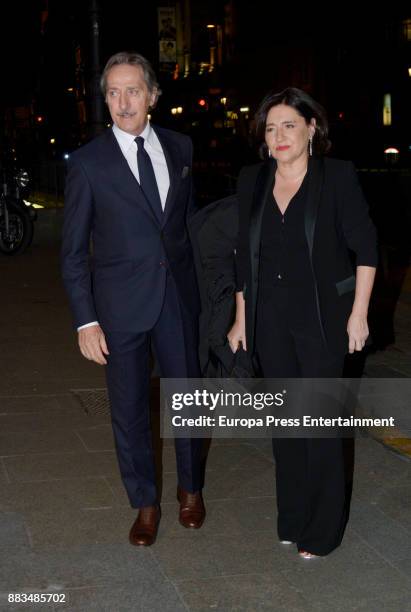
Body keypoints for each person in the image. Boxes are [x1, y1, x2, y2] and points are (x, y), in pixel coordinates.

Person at [61, 51, 205, 547]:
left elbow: (187, 228)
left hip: (178, 299)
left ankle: (191, 489)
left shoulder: (182, 147)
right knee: (127, 409)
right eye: (113, 93)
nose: (123, 102)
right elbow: (74, 252)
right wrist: (86, 321)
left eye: (133, 90)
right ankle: (145, 502)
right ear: (105, 100)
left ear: (152, 96)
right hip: (119, 308)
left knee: (188, 399)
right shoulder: (87, 163)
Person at [228, 87, 377, 558]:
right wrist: (240, 318)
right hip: (269, 319)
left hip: (322, 320)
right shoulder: (252, 179)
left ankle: (323, 529)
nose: (279, 135)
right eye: (270, 128)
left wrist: (358, 314)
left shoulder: (336, 177)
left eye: (289, 125)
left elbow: (367, 249)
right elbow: (242, 255)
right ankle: (292, 517)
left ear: (312, 128)